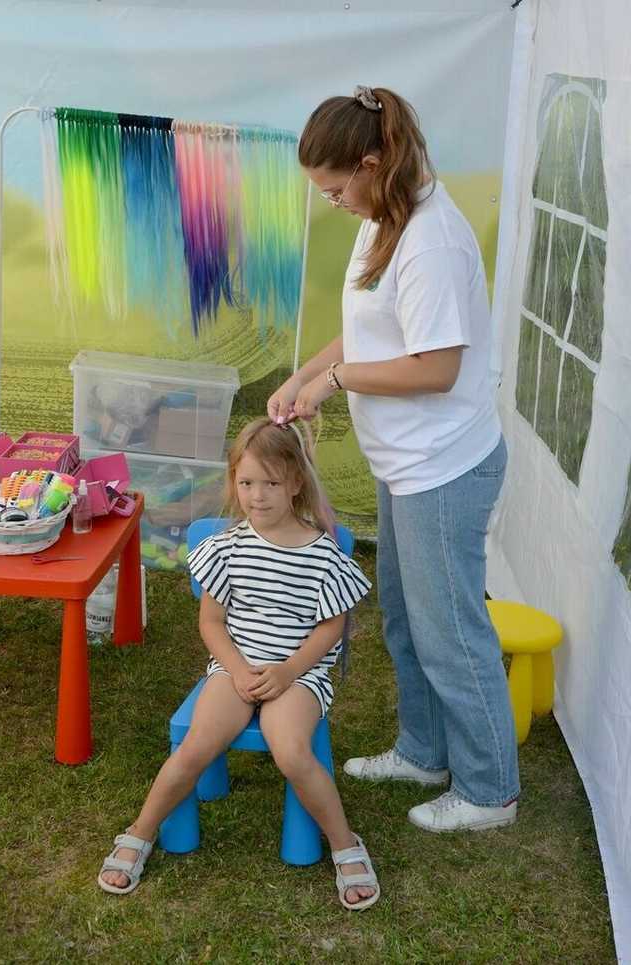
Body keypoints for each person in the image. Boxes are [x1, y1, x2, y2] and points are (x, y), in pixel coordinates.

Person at [267, 85, 520, 832]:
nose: (334, 201)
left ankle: (489, 790)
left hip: (443, 468)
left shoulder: (431, 239)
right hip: (405, 463)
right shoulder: (382, 216)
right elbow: (367, 328)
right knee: (407, 622)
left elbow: (435, 366)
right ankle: (423, 749)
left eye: (337, 187)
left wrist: (335, 382)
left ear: (373, 162)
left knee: (451, 631)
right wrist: (305, 374)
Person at [98, 417, 379, 911]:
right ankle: (140, 833)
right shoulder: (228, 548)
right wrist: (237, 668)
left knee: (291, 751)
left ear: (295, 482)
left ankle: (344, 843)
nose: (257, 495)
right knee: (196, 745)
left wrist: (288, 671)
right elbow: (212, 624)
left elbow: (330, 628)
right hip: (234, 668)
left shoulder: (323, 555)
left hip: (299, 675)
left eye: (270, 483)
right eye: (246, 483)